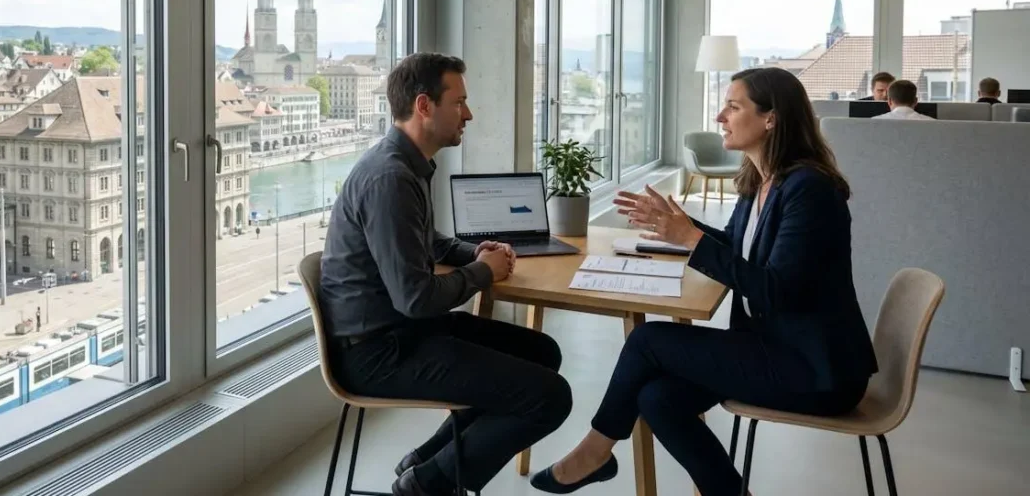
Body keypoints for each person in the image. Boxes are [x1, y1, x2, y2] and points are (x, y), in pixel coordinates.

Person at [531, 67, 877, 496]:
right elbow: (736, 246)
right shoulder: (760, 180)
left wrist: (690, 240)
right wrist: (677, 227)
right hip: (774, 349)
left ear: (771, 118)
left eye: (733, 107)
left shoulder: (810, 190)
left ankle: (594, 453)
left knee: (648, 340)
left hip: (817, 371)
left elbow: (777, 291)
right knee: (657, 399)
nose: (719, 117)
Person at [320, 53, 571, 496]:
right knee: (551, 397)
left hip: (401, 332)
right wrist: (481, 272)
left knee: (542, 353)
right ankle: (427, 484)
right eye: (459, 102)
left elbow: (429, 241)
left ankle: (426, 462)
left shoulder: (406, 164)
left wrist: (476, 252)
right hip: (378, 353)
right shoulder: (390, 178)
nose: (468, 114)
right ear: (424, 105)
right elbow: (416, 299)